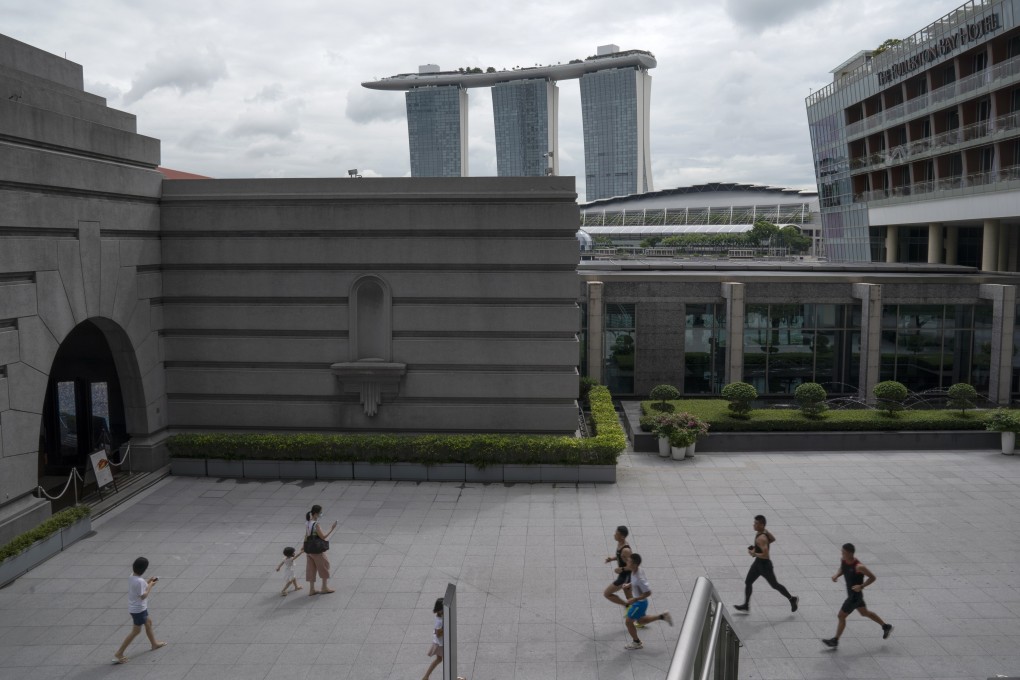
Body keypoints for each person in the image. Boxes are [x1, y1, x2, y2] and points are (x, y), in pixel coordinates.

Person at [822, 543, 892, 647]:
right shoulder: (844, 560)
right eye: (842, 552)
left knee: (841, 616)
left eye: (844, 552)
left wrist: (862, 586)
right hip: (854, 595)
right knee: (864, 613)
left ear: (850, 553)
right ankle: (886, 626)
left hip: (854, 597)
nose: (842, 554)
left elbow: (872, 577)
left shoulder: (859, 567)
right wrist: (837, 575)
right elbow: (843, 568)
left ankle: (835, 640)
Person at [733, 515, 798, 613]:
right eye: (754, 522)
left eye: (756, 523)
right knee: (748, 582)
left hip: (765, 566)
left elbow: (765, 555)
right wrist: (760, 547)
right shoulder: (764, 532)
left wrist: (754, 553)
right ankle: (746, 605)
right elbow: (773, 539)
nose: (754, 525)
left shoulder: (761, 538)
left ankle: (792, 599)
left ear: (762, 525)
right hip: (758, 564)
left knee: (775, 585)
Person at [112, 556, 167, 664]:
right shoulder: (140, 581)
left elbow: (139, 588)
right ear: (144, 569)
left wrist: (148, 582)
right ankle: (119, 653)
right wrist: (151, 585)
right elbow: (143, 595)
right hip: (139, 609)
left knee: (149, 623)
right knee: (136, 631)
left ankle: (154, 644)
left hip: (135, 608)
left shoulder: (132, 577)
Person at [621, 553, 673, 650]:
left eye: (629, 561)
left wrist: (634, 599)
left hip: (639, 603)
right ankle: (662, 616)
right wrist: (629, 584)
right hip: (640, 602)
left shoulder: (639, 578)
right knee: (641, 620)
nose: (627, 562)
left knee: (628, 622)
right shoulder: (636, 570)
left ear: (635, 564)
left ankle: (636, 642)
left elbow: (648, 592)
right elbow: (636, 582)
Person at [304, 505, 337, 595]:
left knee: (311, 569)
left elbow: (306, 535)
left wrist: (304, 547)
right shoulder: (316, 524)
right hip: (317, 550)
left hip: (309, 549)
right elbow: (323, 536)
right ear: (315, 514)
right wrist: (332, 528)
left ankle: (312, 589)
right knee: (324, 566)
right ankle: (324, 587)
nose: (321, 514)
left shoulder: (307, 522)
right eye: (320, 512)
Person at [603, 525, 632, 608]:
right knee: (630, 598)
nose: (614, 534)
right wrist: (612, 559)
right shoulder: (620, 543)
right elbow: (621, 557)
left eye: (617, 533)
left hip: (625, 576)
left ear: (622, 536)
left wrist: (621, 569)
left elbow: (631, 566)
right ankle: (635, 613)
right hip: (623, 574)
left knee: (607, 594)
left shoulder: (626, 550)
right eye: (615, 532)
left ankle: (628, 607)